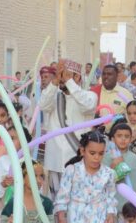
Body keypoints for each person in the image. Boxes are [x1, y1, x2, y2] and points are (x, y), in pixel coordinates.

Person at [39, 65, 98, 193]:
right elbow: (43, 105)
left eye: (66, 74)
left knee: (79, 200)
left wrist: (69, 82)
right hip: (55, 162)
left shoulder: (90, 96)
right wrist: (54, 82)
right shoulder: (54, 96)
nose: (62, 78)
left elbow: (87, 105)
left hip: (79, 162)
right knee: (56, 202)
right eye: (60, 75)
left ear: (77, 77)